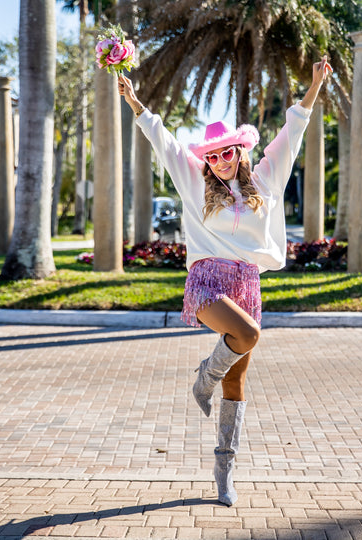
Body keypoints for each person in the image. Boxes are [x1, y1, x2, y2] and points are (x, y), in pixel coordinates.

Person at [118, 56, 332, 506]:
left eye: (226, 153)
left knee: (236, 385)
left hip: (247, 284)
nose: (218, 162)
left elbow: (294, 129)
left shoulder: (267, 178)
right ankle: (202, 379)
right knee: (249, 334)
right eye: (212, 156)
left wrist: (313, 86)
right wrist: (136, 103)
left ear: (240, 152)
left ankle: (223, 473)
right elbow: (163, 141)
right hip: (207, 279)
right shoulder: (194, 183)